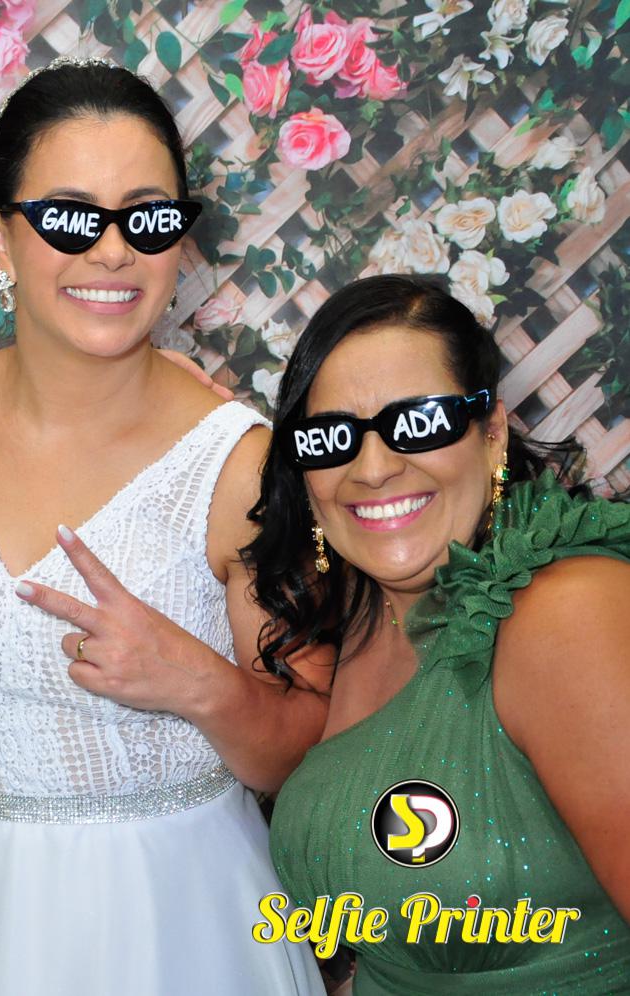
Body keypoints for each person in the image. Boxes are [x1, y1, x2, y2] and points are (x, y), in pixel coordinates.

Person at [0, 59, 326, 994]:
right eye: (73, 218)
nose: (114, 250)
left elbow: (307, 746)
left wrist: (196, 680)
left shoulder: (238, 463)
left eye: (147, 219)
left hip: (179, 915)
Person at [248, 274, 630, 992]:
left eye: (418, 423)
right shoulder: (360, 618)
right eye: (331, 439)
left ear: (492, 436)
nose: (373, 468)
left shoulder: (567, 613)